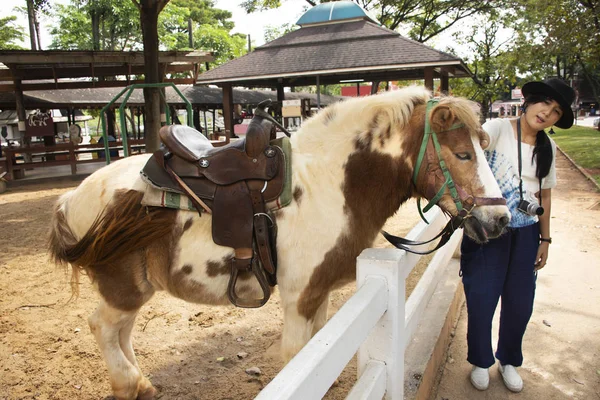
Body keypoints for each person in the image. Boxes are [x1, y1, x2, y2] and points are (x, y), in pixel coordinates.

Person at [461, 78, 576, 393]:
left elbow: (546, 197)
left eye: (554, 112)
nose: (546, 114)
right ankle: (481, 361)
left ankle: (508, 360)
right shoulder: (498, 128)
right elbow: (473, 150)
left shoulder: (547, 148)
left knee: (520, 302)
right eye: (544, 104)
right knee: (482, 297)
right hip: (488, 230)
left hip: (526, 234)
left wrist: (545, 239)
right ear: (530, 101)